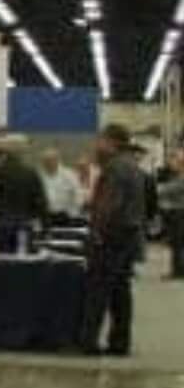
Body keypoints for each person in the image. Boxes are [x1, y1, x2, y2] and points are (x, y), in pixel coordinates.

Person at [78, 124, 147, 358]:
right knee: (120, 292)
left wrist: (96, 233)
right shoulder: (133, 167)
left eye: (101, 141)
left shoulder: (115, 168)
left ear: (112, 142)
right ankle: (120, 342)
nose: (98, 145)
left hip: (111, 238)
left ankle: (88, 342)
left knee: (98, 291)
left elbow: (109, 205)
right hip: (128, 237)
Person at [0, 144, 46, 246]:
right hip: (24, 224)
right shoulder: (30, 173)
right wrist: (44, 226)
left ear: (3, 157)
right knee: (22, 256)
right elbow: (40, 202)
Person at [159, 147, 184, 280]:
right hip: (177, 211)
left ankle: (178, 271)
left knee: (177, 244)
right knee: (178, 244)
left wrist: (160, 189)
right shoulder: (177, 176)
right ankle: (178, 269)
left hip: (179, 212)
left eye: (173, 160)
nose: (170, 163)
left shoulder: (181, 177)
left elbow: (168, 190)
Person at [39, 148, 83, 220]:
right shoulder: (39, 176)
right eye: (45, 161)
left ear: (57, 160)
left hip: (66, 215)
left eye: (51, 160)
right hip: (46, 215)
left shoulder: (69, 175)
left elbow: (78, 193)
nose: (48, 163)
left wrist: (74, 212)